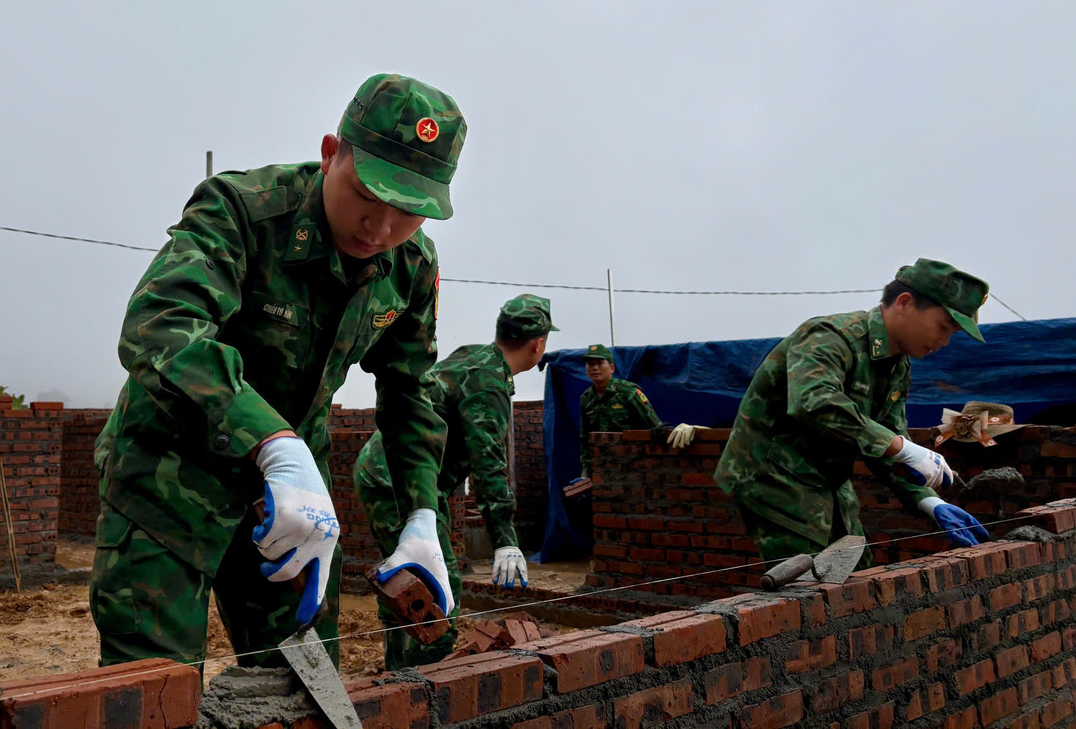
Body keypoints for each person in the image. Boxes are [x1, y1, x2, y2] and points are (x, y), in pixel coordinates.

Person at [90, 74, 466, 670]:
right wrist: (272, 442)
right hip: (169, 481)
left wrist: (422, 515)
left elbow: (410, 391)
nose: (381, 229)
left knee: (305, 680)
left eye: (408, 214)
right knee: (154, 689)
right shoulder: (243, 210)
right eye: (367, 197)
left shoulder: (410, 266)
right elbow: (160, 324)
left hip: (287, 506)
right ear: (328, 155)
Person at [714, 258, 992, 566]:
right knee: (812, 589)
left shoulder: (897, 366)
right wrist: (902, 447)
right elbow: (814, 400)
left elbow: (889, 444)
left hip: (828, 480)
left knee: (859, 574)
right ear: (904, 302)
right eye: (942, 327)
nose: (943, 341)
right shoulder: (829, 336)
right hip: (774, 477)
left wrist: (928, 500)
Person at [353, 294, 556, 669]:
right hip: (399, 482)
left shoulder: (472, 356)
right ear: (538, 344)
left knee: (407, 580)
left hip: (390, 474)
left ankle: (400, 677)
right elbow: (488, 462)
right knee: (437, 594)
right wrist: (505, 542)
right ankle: (421, 686)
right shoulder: (489, 382)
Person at [571, 344, 697, 486]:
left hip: (632, 469)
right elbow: (585, 440)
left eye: (600, 363)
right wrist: (586, 474)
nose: (594, 368)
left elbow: (655, 428)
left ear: (612, 368)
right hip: (603, 471)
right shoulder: (587, 399)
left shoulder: (627, 392)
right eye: (590, 364)